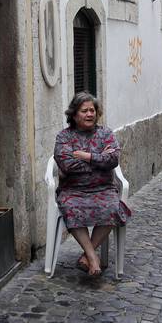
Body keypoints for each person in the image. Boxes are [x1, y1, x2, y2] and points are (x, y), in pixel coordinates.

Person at [53, 93, 132, 277]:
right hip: (73, 190)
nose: (90, 114)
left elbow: (112, 159)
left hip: (103, 188)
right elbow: (67, 165)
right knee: (71, 207)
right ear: (74, 115)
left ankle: (86, 256)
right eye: (84, 111)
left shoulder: (106, 133)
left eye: (92, 110)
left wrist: (87, 156)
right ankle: (92, 256)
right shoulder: (64, 137)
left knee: (113, 207)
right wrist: (99, 159)